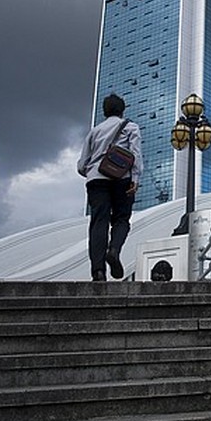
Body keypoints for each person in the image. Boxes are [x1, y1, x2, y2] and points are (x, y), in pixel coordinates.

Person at [76, 93, 142, 281]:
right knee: (122, 219)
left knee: (99, 222)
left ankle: (98, 271)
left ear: (104, 111)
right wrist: (135, 179)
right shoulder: (131, 127)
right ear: (123, 110)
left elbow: (81, 165)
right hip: (123, 179)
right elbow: (135, 155)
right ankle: (114, 249)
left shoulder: (94, 131)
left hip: (96, 180)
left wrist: (93, 172)